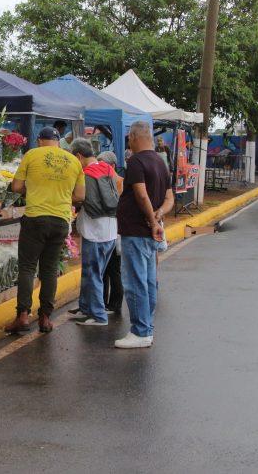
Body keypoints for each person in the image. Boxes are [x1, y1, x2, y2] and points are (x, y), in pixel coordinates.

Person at [6, 126, 85, 334]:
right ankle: (45, 317)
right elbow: (80, 196)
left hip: (35, 218)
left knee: (27, 267)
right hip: (60, 220)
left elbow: (15, 187)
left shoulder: (32, 155)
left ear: (40, 140)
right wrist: (60, 195)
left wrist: (33, 189)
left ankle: (23, 315)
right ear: (58, 142)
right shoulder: (74, 161)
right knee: (49, 270)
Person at [114, 121, 174, 349]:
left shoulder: (136, 161)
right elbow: (170, 198)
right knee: (148, 281)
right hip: (149, 231)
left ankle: (140, 331)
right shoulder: (160, 162)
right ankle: (146, 329)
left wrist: (151, 219)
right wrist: (159, 215)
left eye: (129, 137)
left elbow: (140, 194)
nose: (129, 142)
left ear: (136, 137)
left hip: (137, 231)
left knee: (135, 281)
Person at [68, 139, 119, 326]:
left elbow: (82, 199)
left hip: (94, 232)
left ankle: (98, 315)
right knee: (93, 273)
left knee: (93, 274)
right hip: (110, 230)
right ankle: (86, 307)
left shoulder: (86, 174)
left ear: (79, 156)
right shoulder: (106, 168)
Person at [98, 151, 125, 315]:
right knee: (104, 269)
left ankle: (115, 304)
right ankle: (102, 302)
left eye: (104, 165)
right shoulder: (103, 182)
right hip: (104, 230)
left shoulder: (120, 183)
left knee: (113, 269)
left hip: (115, 231)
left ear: (113, 166)